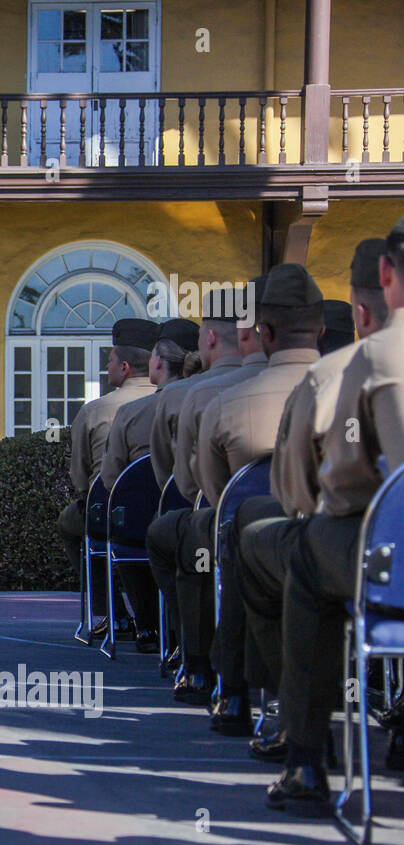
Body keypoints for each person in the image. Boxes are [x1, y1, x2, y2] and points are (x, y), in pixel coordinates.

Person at [265, 218, 404, 815]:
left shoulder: (370, 359)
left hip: (389, 557)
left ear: (385, 277)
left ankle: (305, 758)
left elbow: (334, 486)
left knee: (306, 558)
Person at [238, 239, 392, 767]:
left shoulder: (335, 375)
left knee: (292, 555)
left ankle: (304, 752)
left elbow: (296, 494)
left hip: (370, 554)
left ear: (363, 309)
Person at [195, 264, 324, 735]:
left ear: (262, 333)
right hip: (381, 560)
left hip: (307, 552)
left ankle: (241, 696)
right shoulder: (353, 382)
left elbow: (212, 493)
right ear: (323, 328)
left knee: (242, 531)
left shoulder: (225, 403)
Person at [146, 284, 268, 704]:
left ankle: (195, 660)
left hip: (223, 521)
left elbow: (182, 481)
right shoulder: (315, 383)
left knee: (177, 541)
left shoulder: (197, 393)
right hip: (301, 522)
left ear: (211, 338)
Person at [99, 318, 199, 650]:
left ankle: (145, 624)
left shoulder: (131, 413)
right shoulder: (214, 399)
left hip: (146, 522)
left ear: (157, 361)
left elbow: (111, 478)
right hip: (204, 514)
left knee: (130, 522)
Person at [56, 317, 158, 637]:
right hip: (170, 505)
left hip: (113, 511)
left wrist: (89, 496)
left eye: (109, 361)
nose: (106, 367)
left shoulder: (95, 410)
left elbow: (81, 476)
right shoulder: (177, 399)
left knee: (71, 525)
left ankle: (107, 612)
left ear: (125, 367)